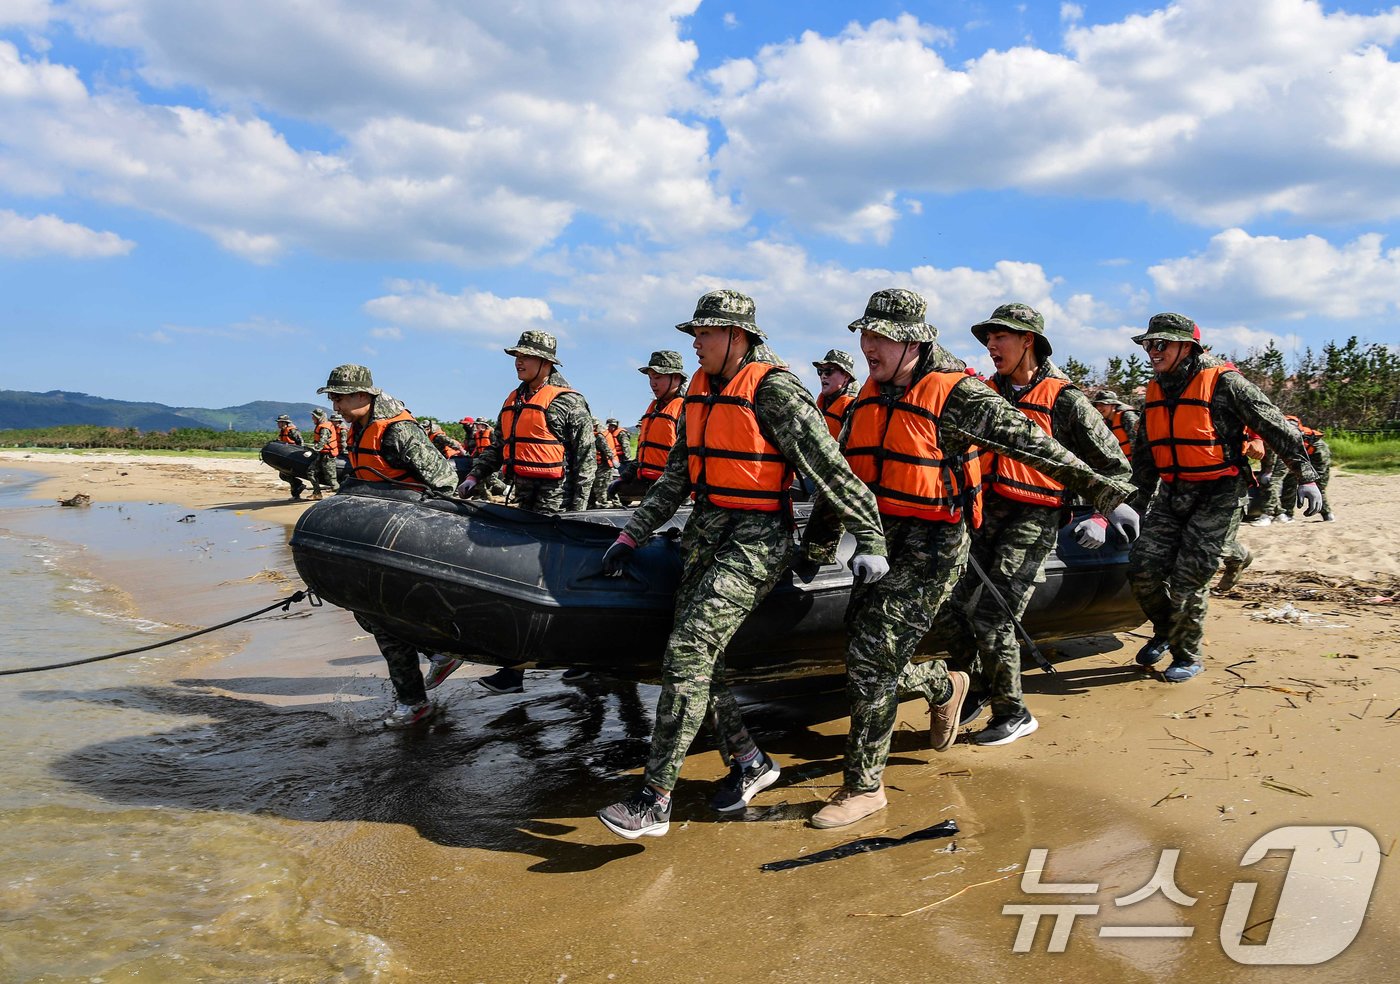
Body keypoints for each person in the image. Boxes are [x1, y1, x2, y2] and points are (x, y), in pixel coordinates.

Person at [800, 290, 1138, 829]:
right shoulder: (870, 393)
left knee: (873, 654)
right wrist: (816, 546)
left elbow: (1034, 444)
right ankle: (946, 684)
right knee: (863, 648)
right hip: (884, 541)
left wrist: (1103, 497)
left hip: (936, 545)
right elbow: (842, 475)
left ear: (912, 341)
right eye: (863, 335)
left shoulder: (958, 394)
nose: (867, 347)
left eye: (878, 337)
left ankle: (863, 788)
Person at [594, 289, 887, 840]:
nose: (696, 344)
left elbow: (831, 468)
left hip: (758, 539)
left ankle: (655, 797)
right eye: (695, 333)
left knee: (689, 649)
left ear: (737, 336)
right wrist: (633, 533)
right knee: (708, 663)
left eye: (705, 333)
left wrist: (868, 534)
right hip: (707, 530)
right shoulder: (700, 392)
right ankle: (750, 761)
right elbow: (678, 474)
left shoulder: (775, 390)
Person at [910, 303, 1133, 748]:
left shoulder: (1065, 400)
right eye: (987, 339)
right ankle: (971, 687)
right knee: (954, 607)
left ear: (1027, 340)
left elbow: (1115, 468)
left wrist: (1101, 515)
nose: (991, 345)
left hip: (1035, 516)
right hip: (982, 513)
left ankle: (1014, 713)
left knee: (994, 615)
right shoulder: (983, 394)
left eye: (1001, 337)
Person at [1127, 314, 1322, 683]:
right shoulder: (1155, 389)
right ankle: (1167, 630)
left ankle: (1187, 654)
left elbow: (1275, 427)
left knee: (1188, 579)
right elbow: (1145, 456)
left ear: (1188, 346)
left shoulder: (1227, 383)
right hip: (1173, 491)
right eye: (1148, 344)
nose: (1152, 351)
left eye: (1161, 344)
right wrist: (1133, 505)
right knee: (1142, 569)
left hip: (1220, 492)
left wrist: (1306, 477)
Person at [317, 364, 461, 727]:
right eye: (331, 396)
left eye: (338, 395)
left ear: (362, 395)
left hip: (407, 536)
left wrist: (419, 527)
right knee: (368, 614)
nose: (333, 402)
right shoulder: (357, 428)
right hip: (377, 532)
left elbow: (445, 481)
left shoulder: (398, 431)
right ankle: (434, 656)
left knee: (382, 617)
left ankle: (414, 701)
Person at [460, 330, 596, 693]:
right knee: (521, 585)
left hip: (558, 510)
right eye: (516, 356)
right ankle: (514, 671)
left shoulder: (569, 402)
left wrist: (578, 514)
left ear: (546, 362)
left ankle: (586, 660)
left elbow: (585, 462)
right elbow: (501, 447)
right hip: (524, 503)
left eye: (526, 356)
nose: (518, 361)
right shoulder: (515, 400)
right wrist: (475, 476)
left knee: (562, 588)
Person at [632, 350, 687, 487]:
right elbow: (642, 452)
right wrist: (626, 477)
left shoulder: (688, 408)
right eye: (650, 378)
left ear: (676, 378)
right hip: (653, 485)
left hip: (678, 488)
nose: (652, 383)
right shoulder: (656, 409)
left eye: (657, 377)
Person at [1278, 415, 1334, 522]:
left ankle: (1327, 514)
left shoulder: (1294, 433)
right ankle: (1287, 513)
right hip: (1302, 455)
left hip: (1317, 453)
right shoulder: (1283, 433)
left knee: (1317, 484)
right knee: (1290, 480)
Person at [812, 349, 858, 439]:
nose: (823, 376)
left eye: (828, 371)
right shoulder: (821, 403)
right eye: (820, 371)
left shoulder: (855, 407)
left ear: (846, 376)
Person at [1091, 390, 1141, 460]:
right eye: (1097, 405)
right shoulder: (1107, 423)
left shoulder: (1127, 416)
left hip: (1138, 462)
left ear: (1113, 405)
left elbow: (1138, 441)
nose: (1098, 408)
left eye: (1102, 404)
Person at [309, 408, 341, 500]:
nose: (312, 418)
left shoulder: (324, 428)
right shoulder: (320, 425)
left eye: (313, 417)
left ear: (318, 418)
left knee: (331, 478)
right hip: (321, 454)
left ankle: (339, 497)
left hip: (328, 455)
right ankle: (317, 493)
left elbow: (322, 442)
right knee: (311, 472)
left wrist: (313, 449)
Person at [588, 418, 620, 509]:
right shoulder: (601, 434)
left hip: (604, 465)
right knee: (607, 485)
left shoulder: (599, 436)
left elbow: (606, 449)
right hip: (604, 464)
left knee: (601, 485)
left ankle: (604, 504)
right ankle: (616, 503)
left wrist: (612, 459)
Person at [274, 414, 307, 500]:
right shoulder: (282, 431)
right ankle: (298, 488)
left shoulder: (292, 431)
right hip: (287, 456)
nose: (278, 424)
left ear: (284, 423)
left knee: (286, 474)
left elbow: (301, 443)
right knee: (284, 475)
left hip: (294, 456)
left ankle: (296, 492)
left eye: (280, 422)